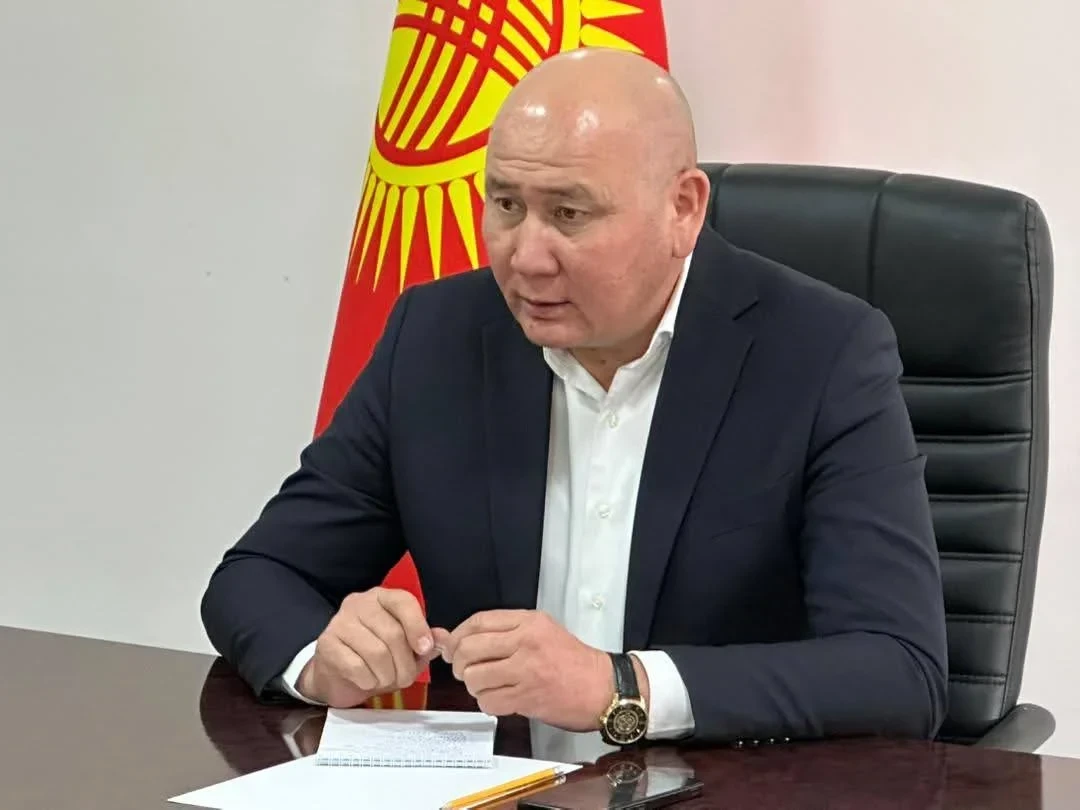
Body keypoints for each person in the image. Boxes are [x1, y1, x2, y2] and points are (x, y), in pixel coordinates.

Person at [200, 47, 948, 752]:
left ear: (683, 208)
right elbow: (258, 576)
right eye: (505, 204)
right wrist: (322, 659)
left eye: (569, 214)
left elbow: (898, 669)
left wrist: (620, 686)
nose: (526, 256)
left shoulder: (821, 354)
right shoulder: (436, 338)